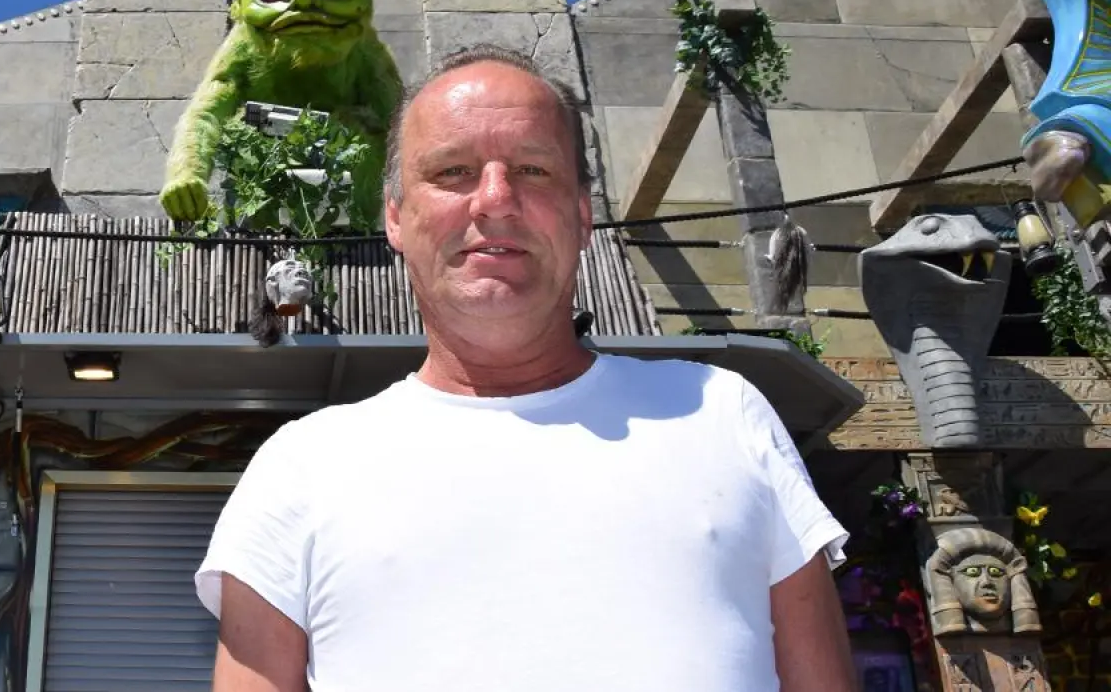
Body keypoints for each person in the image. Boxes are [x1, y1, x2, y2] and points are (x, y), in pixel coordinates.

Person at [194, 44, 857, 691]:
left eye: (533, 170)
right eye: (452, 171)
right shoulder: (302, 466)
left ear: (581, 214)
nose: (494, 199)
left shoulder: (722, 412)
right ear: (395, 217)